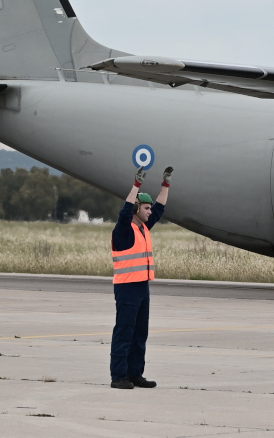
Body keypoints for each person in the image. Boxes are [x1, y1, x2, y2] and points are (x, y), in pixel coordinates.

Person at [109, 164, 172, 389]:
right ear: (136, 209)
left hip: (142, 287)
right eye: (145, 208)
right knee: (124, 332)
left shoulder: (144, 228)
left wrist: (165, 185)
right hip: (127, 287)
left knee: (139, 334)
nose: (149, 211)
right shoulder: (124, 231)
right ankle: (118, 376)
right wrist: (136, 185)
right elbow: (125, 212)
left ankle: (135, 374)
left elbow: (161, 208)